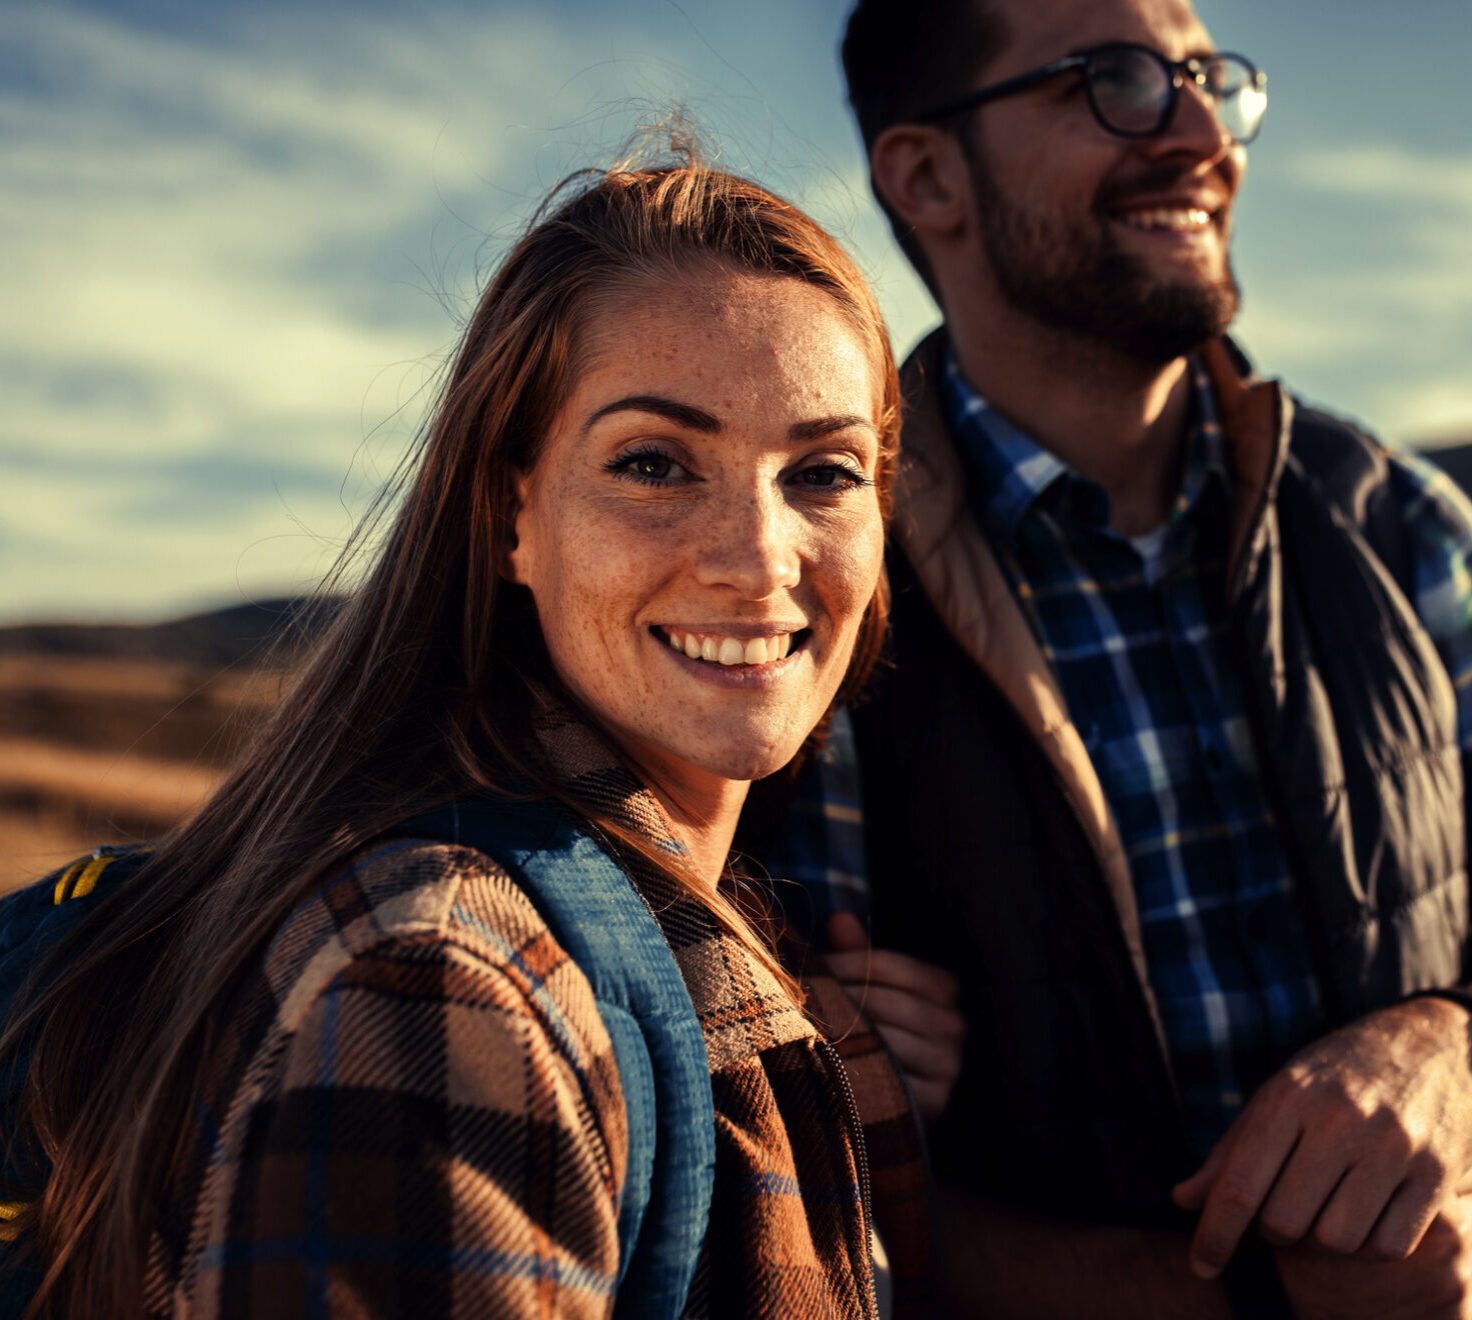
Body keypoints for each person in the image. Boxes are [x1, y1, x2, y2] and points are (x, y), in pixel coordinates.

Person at [757, 1, 1472, 1316]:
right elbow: (807, 1179)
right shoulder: (817, 585)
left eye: (1207, 77)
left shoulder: (1395, 522)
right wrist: (1266, 1304)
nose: (1202, 132)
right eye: (1117, 82)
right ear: (926, 176)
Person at [0, 155, 946, 1318]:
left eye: (823, 472)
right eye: (654, 464)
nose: (758, 556)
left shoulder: (695, 945)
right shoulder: (449, 990)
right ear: (513, 516)